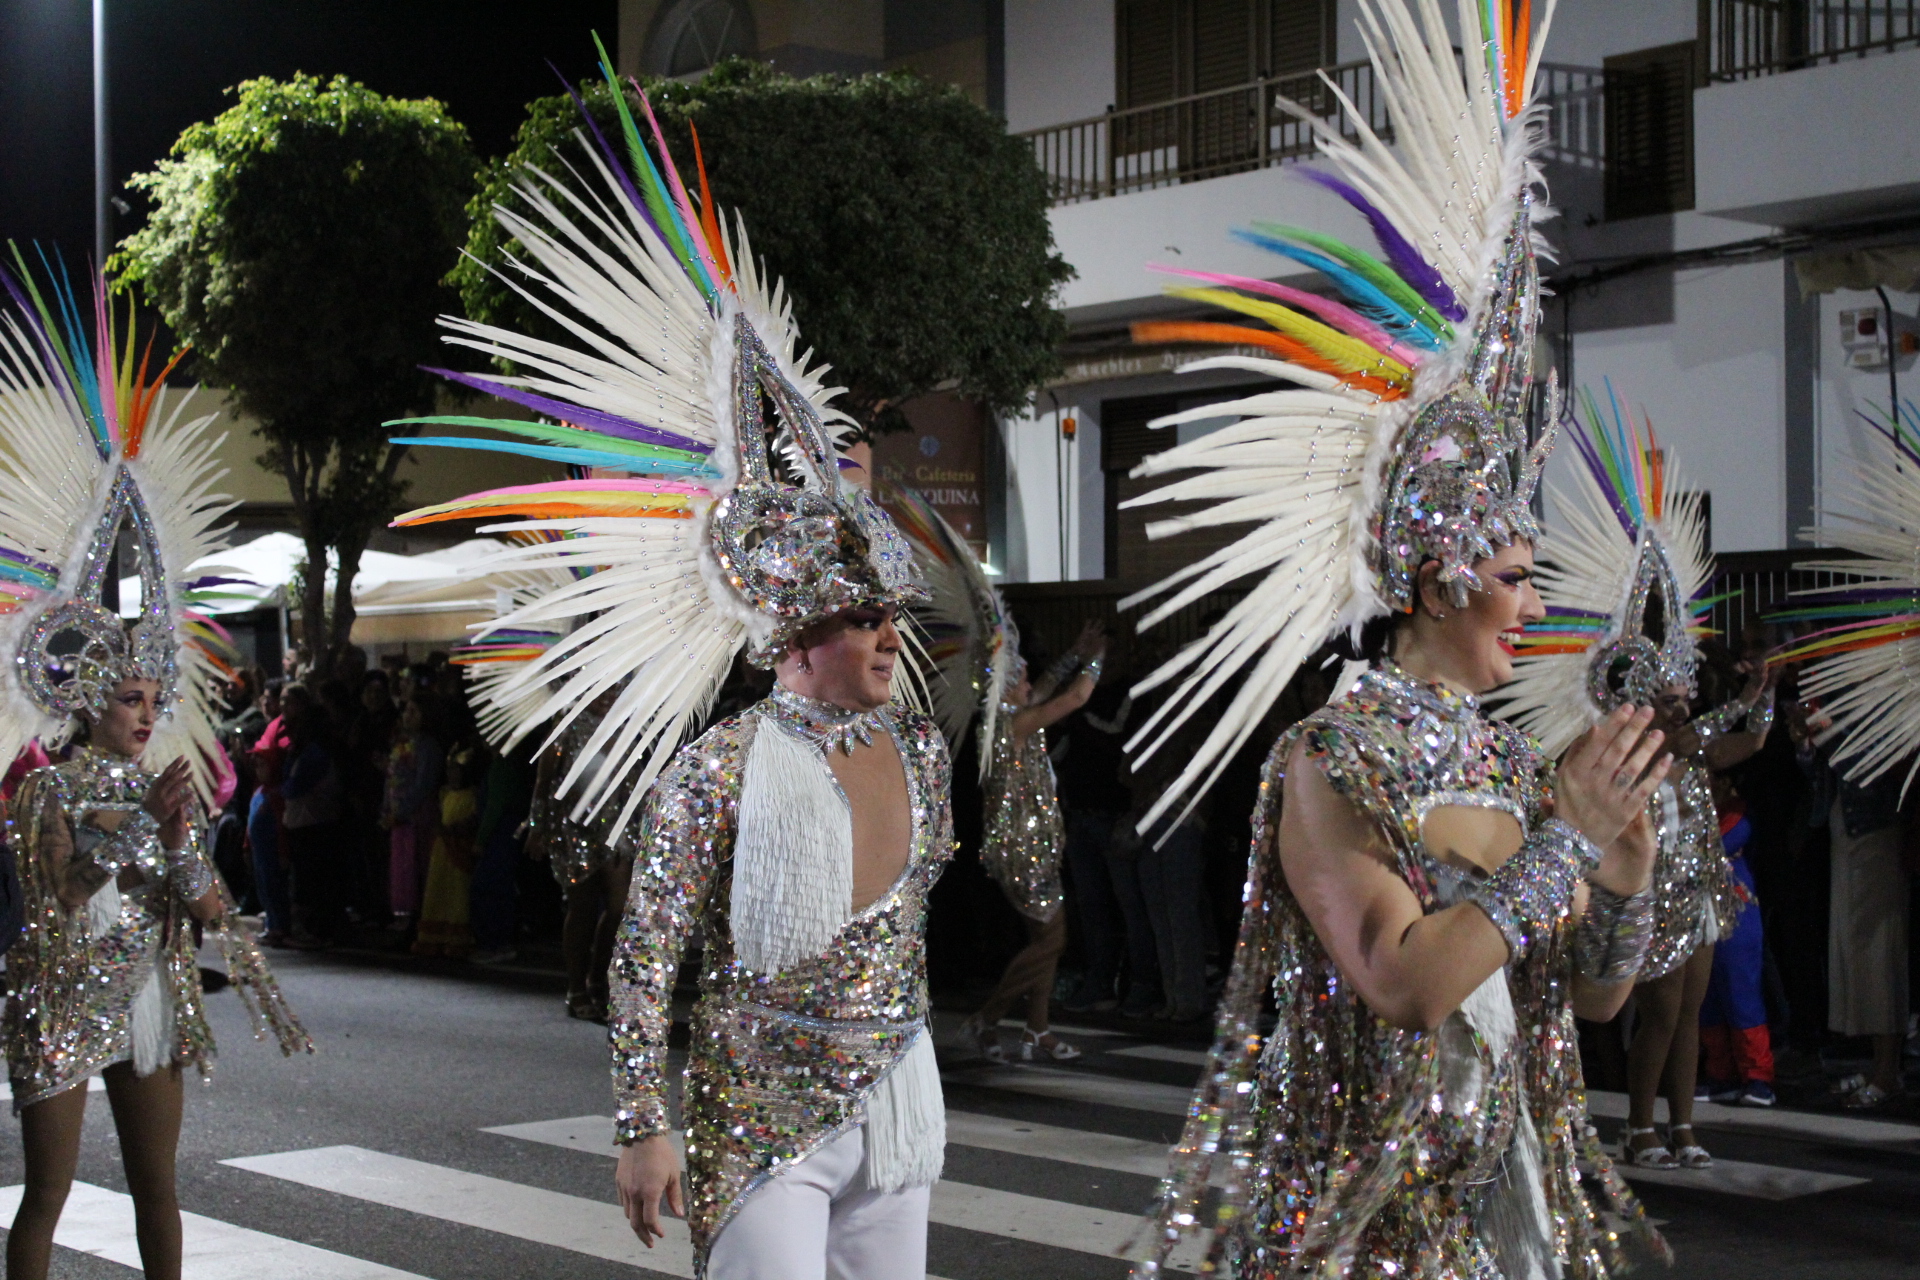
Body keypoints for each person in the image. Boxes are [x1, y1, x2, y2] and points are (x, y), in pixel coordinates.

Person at [1121, 5, 1667, 1270]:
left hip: (1507, 1194)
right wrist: (1568, 843)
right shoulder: (1331, 755)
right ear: (1432, 584)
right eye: (1516, 577)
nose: (1534, 611)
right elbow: (1406, 981)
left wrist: (1626, 880)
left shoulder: (1514, 762)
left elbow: (1586, 999)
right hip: (1379, 1218)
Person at [383, 67, 946, 1278]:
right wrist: (645, 1123)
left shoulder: (924, 747)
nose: (891, 635)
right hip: (759, 1121)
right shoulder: (719, 765)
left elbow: (908, 933)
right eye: (862, 617)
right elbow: (647, 953)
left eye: (893, 612)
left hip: (899, 1101)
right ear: (792, 633)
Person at [0, 259, 310, 1280]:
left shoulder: (166, 786)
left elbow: (214, 907)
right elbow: (55, 899)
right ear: (88, 699)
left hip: (151, 991)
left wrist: (182, 845)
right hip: (53, 990)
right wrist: (123, 839)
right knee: (46, 1193)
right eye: (128, 700)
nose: (146, 716)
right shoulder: (44, 784)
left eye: (151, 700)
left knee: (159, 1188)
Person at [1498, 400, 1776, 1170]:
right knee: (1648, 1013)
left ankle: (1682, 1128)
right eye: (1670, 692)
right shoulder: (1635, 750)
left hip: (1697, 882)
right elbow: (1705, 738)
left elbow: (1742, 742)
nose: (1681, 699)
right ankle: (1639, 1126)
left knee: (1687, 1012)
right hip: (1642, 886)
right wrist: (1717, 717)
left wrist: (1762, 696)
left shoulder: (1687, 752)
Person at [960, 624, 1105, 1062]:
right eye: (1020, 680)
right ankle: (986, 1019)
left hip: (1026, 846)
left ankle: (1037, 1029)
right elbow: (1075, 699)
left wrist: (1074, 653)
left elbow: (1042, 688)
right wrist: (1097, 659)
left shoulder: (1006, 718)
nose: (1029, 684)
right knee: (1051, 942)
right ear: (1004, 691)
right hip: (1025, 852)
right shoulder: (1016, 723)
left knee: (1042, 940)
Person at [525, 693, 634, 1020]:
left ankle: (598, 980)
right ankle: (576, 988)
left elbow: (636, 778)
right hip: (574, 829)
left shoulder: (628, 724)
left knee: (618, 908)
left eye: (616, 688)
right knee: (583, 906)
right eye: (602, 689)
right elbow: (544, 780)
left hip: (617, 826)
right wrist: (537, 827)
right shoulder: (566, 726)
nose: (608, 697)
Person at [413, 745, 480, 957]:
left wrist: (455, 829)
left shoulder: (472, 796)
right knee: (438, 889)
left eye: (457, 771)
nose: (452, 775)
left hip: (458, 848)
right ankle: (434, 937)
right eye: (450, 771)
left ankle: (457, 938)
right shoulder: (445, 794)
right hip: (442, 850)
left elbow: (472, 821)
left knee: (457, 892)